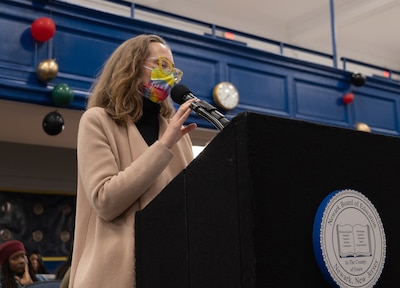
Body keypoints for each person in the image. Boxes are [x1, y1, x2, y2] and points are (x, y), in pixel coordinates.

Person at [69, 34, 197, 287]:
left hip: (170, 268)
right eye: (160, 66)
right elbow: (105, 200)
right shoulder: (98, 121)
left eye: (172, 70)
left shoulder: (176, 134)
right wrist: (163, 146)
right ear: (130, 67)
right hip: (116, 275)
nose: (168, 76)